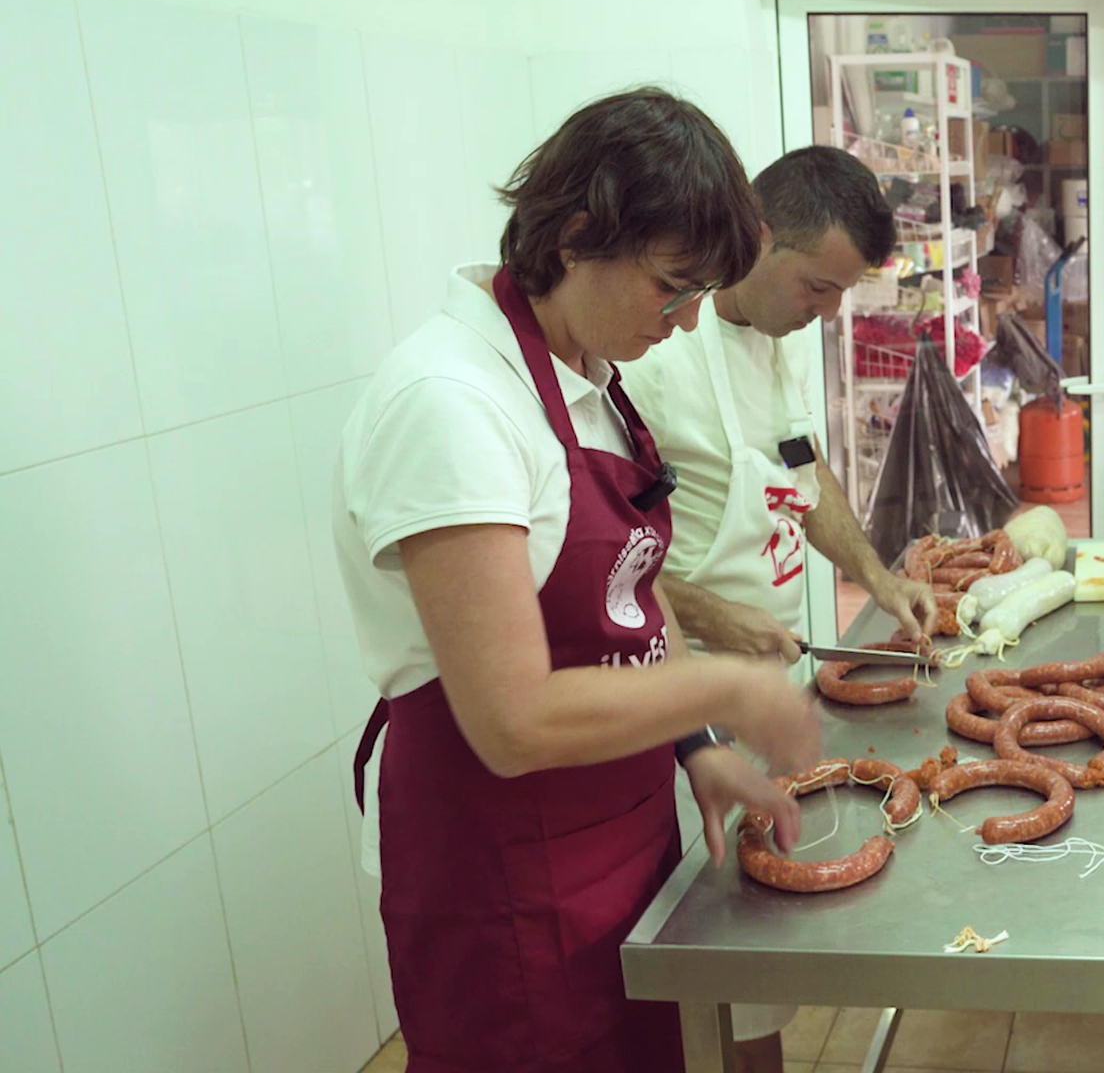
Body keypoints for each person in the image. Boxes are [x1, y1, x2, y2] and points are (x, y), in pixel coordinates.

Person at [335, 88, 822, 1073]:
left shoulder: (589, 381)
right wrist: (726, 687)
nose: (685, 325)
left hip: (620, 829)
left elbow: (630, 603)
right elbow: (509, 724)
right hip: (498, 869)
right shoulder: (450, 404)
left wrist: (695, 746)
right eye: (671, 288)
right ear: (572, 235)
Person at [624, 144, 932, 1070]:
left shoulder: (773, 341)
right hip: (678, 695)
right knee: (710, 949)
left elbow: (806, 472)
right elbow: (597, 554)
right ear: (758, 241)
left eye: (842, 294)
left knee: (760, 954)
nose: (828, 314)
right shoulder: (650, 355)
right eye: (818, 287)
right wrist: (712, 621)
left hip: (772, 674)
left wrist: (880, 578)